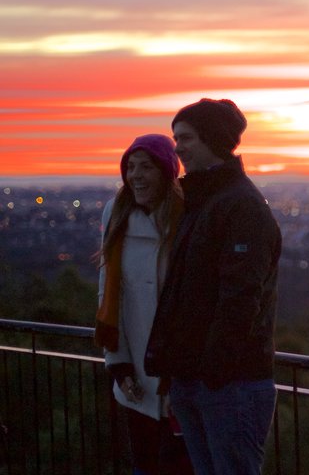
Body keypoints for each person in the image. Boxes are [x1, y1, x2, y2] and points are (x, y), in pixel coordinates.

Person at [144, 98, 281, 475]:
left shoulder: (240, 206)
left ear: (212, 139)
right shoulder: (206, 202)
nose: (178, 147)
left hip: (229, 383)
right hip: (203, 378)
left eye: (185, 137)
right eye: (176, 138)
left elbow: (240, 297)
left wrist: (213, 372)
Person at [95, 134, 192, 475]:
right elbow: (109, 292)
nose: (135, 174)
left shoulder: (188, 216)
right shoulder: (116, 213)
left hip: (181, 376)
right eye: (130, 167)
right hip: (135, 376)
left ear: (167, 171)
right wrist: (118, 365)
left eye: (146, 166)